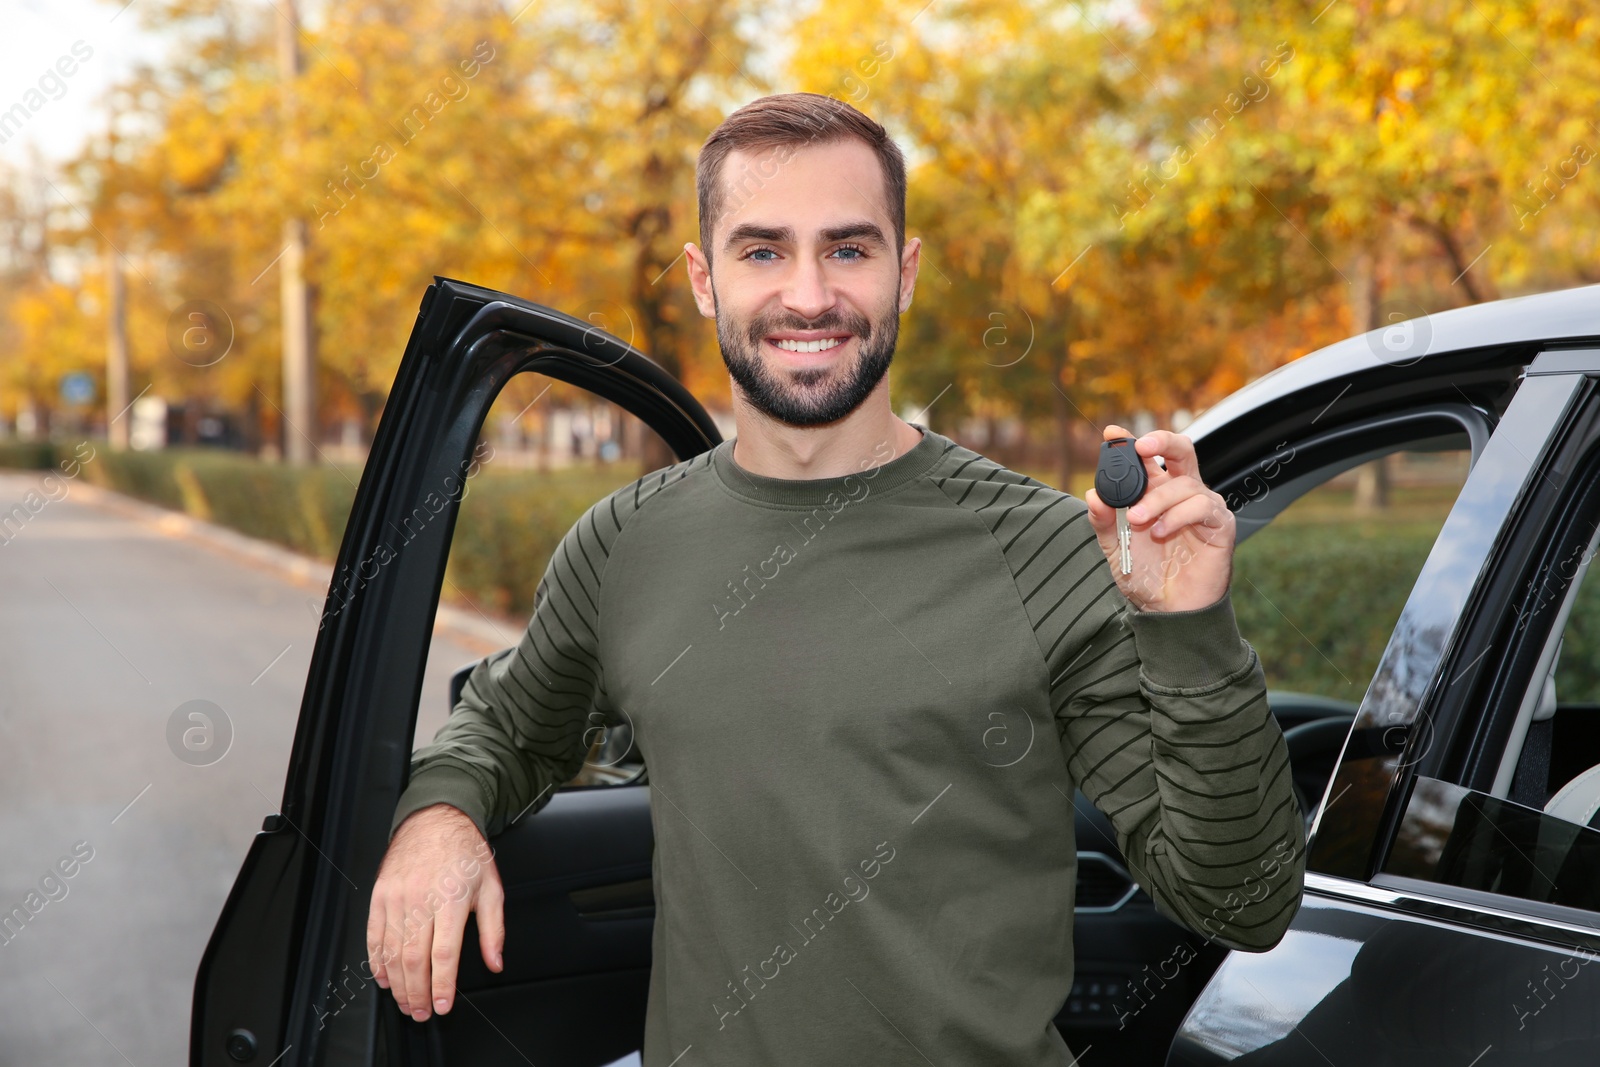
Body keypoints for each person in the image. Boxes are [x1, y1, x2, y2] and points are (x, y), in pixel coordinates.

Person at [366, 91, 1305, 1064]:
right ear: (703, 277)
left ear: (904, 273)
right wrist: (440, 816)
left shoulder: (1044, 548)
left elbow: (1238, 899)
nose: (808, 295)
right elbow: (509, 726)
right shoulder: (622, 544)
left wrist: (1189, 626)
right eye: (762, 250)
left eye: (848, 250)